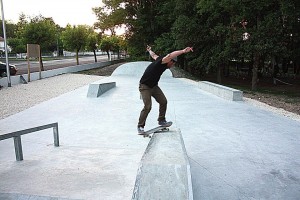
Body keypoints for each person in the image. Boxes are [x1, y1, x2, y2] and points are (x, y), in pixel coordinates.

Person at [137, 45, 193, 134]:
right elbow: (170, 55)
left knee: (163, 101)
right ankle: (140, 126)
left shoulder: (158, 59)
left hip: (154, 86)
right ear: (169, 61)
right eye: (173, 63)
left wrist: (149, 50)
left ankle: (161, 120)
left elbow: (154, 55)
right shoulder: (163, 61)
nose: (173, 65)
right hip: (145, 87)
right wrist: (182, 51)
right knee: (147, 106)